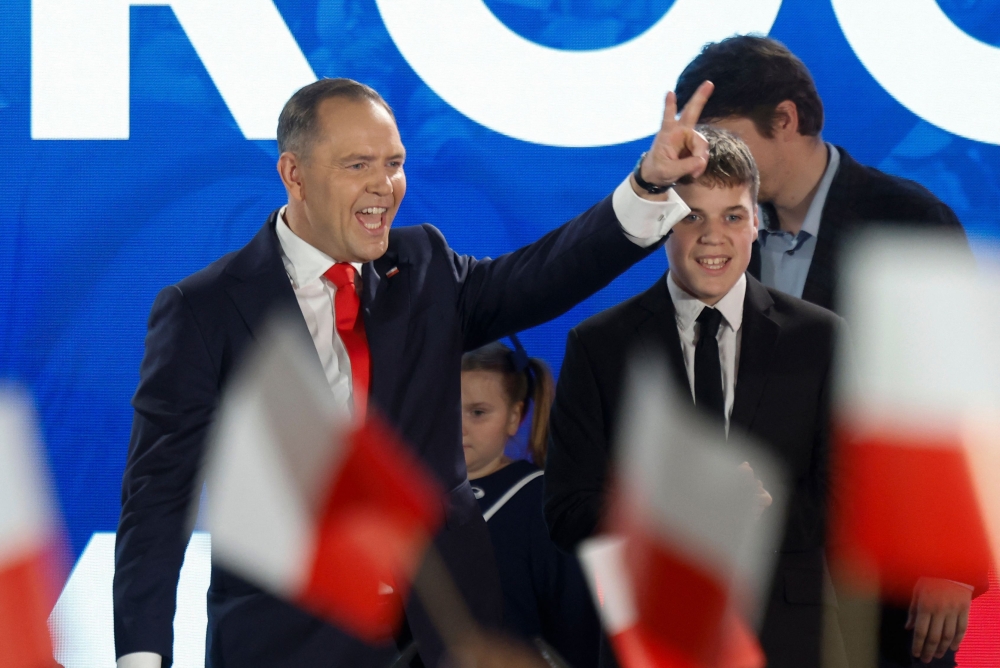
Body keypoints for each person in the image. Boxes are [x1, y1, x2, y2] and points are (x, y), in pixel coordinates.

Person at [113, 77, 716, 667]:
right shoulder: (205, 309)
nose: (385, 185)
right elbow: (157, 498)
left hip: (443, 636)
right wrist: (142, 656)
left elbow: (543, 275)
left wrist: (647, 186)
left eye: (394, 163)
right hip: (285, 643)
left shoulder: (424, 265)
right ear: (293, 174)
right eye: (358, 166)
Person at [673, 36, 981, 667]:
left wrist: (955, 561)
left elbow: (962, 399)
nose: (707, 166)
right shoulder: (719, 232)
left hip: (883, 582)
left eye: (722, 142)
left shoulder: (909, 220)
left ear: (785, 120)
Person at [544, 127, 845, 668]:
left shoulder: (820, 339)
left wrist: (761, 512)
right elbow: (567, 512)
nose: (713, 236)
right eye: (691, 217)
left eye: (732, 215)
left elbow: (849, 501)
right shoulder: (599, 347)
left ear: (758, 222)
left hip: (789, 640)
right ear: (662, 225)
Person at [461, 339, 600, 668]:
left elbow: (577, 633)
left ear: (514, 416)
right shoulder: (415, 495)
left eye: (478, 413)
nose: (459, 426)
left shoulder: (546, 504)